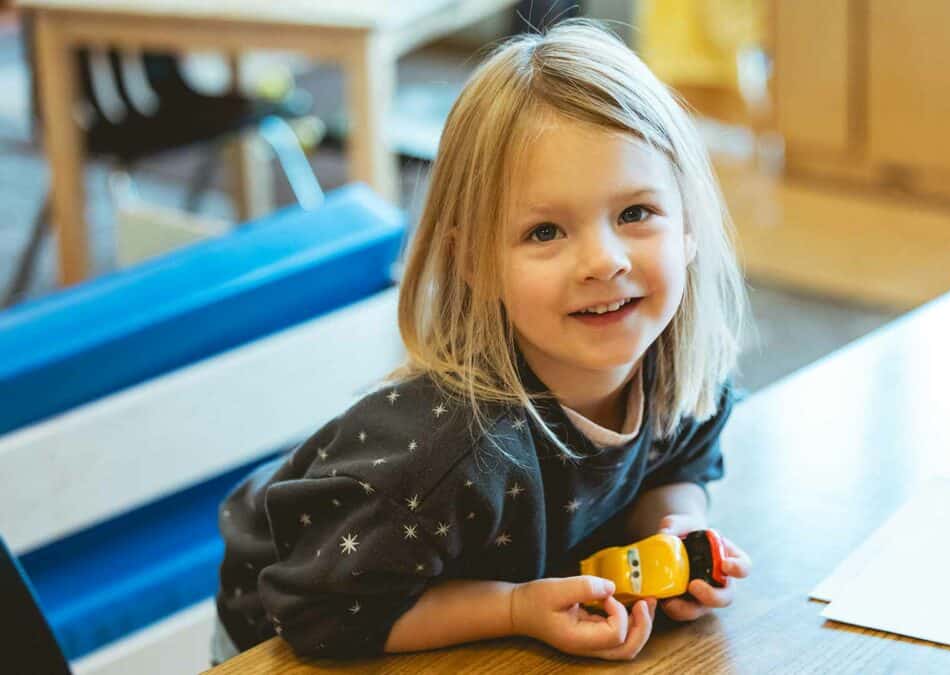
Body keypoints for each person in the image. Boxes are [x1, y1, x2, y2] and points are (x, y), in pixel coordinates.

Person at [213, 18, 752, 664]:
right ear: (473, 260)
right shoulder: (450, 456)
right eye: (546, 231)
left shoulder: (676, 372)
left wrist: (677, 529)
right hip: (297, 628)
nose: (604, 261)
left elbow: (677, 465)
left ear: (688, 225)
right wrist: (516, 608)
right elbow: (324, 611)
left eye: (635, 213)